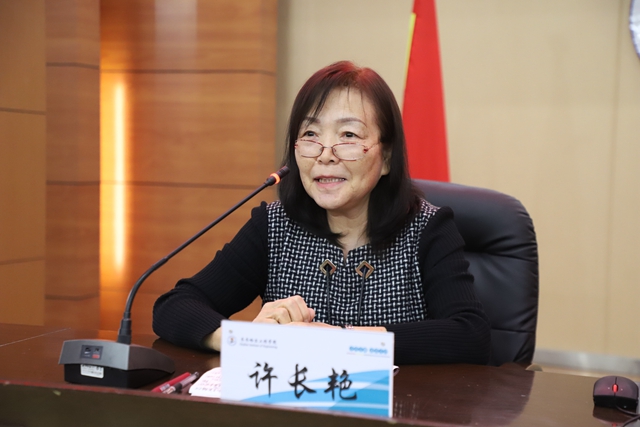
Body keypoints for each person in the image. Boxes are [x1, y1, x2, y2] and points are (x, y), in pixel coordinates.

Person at [153, 61, 491, 365]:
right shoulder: (274, 226)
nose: (325, 154)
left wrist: (342, 341)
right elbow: (174, 306)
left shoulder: (427, 228)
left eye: (348, 135)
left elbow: (470, 335)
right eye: (311, 135)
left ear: (387, 158)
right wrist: (246, 339)